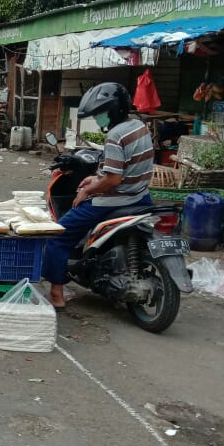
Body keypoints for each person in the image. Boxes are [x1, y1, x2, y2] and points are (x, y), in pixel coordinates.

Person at [43, 83, 153, 310]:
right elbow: (122, 170)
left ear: (113, 110)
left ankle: (56, 294)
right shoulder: (140, 127)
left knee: (57, 237)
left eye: (100, 114)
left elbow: (113, 181)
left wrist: (87, 190)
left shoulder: (115, 135)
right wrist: (95, 179)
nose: (98, 119)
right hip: (141, 197)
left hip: (113, 200)